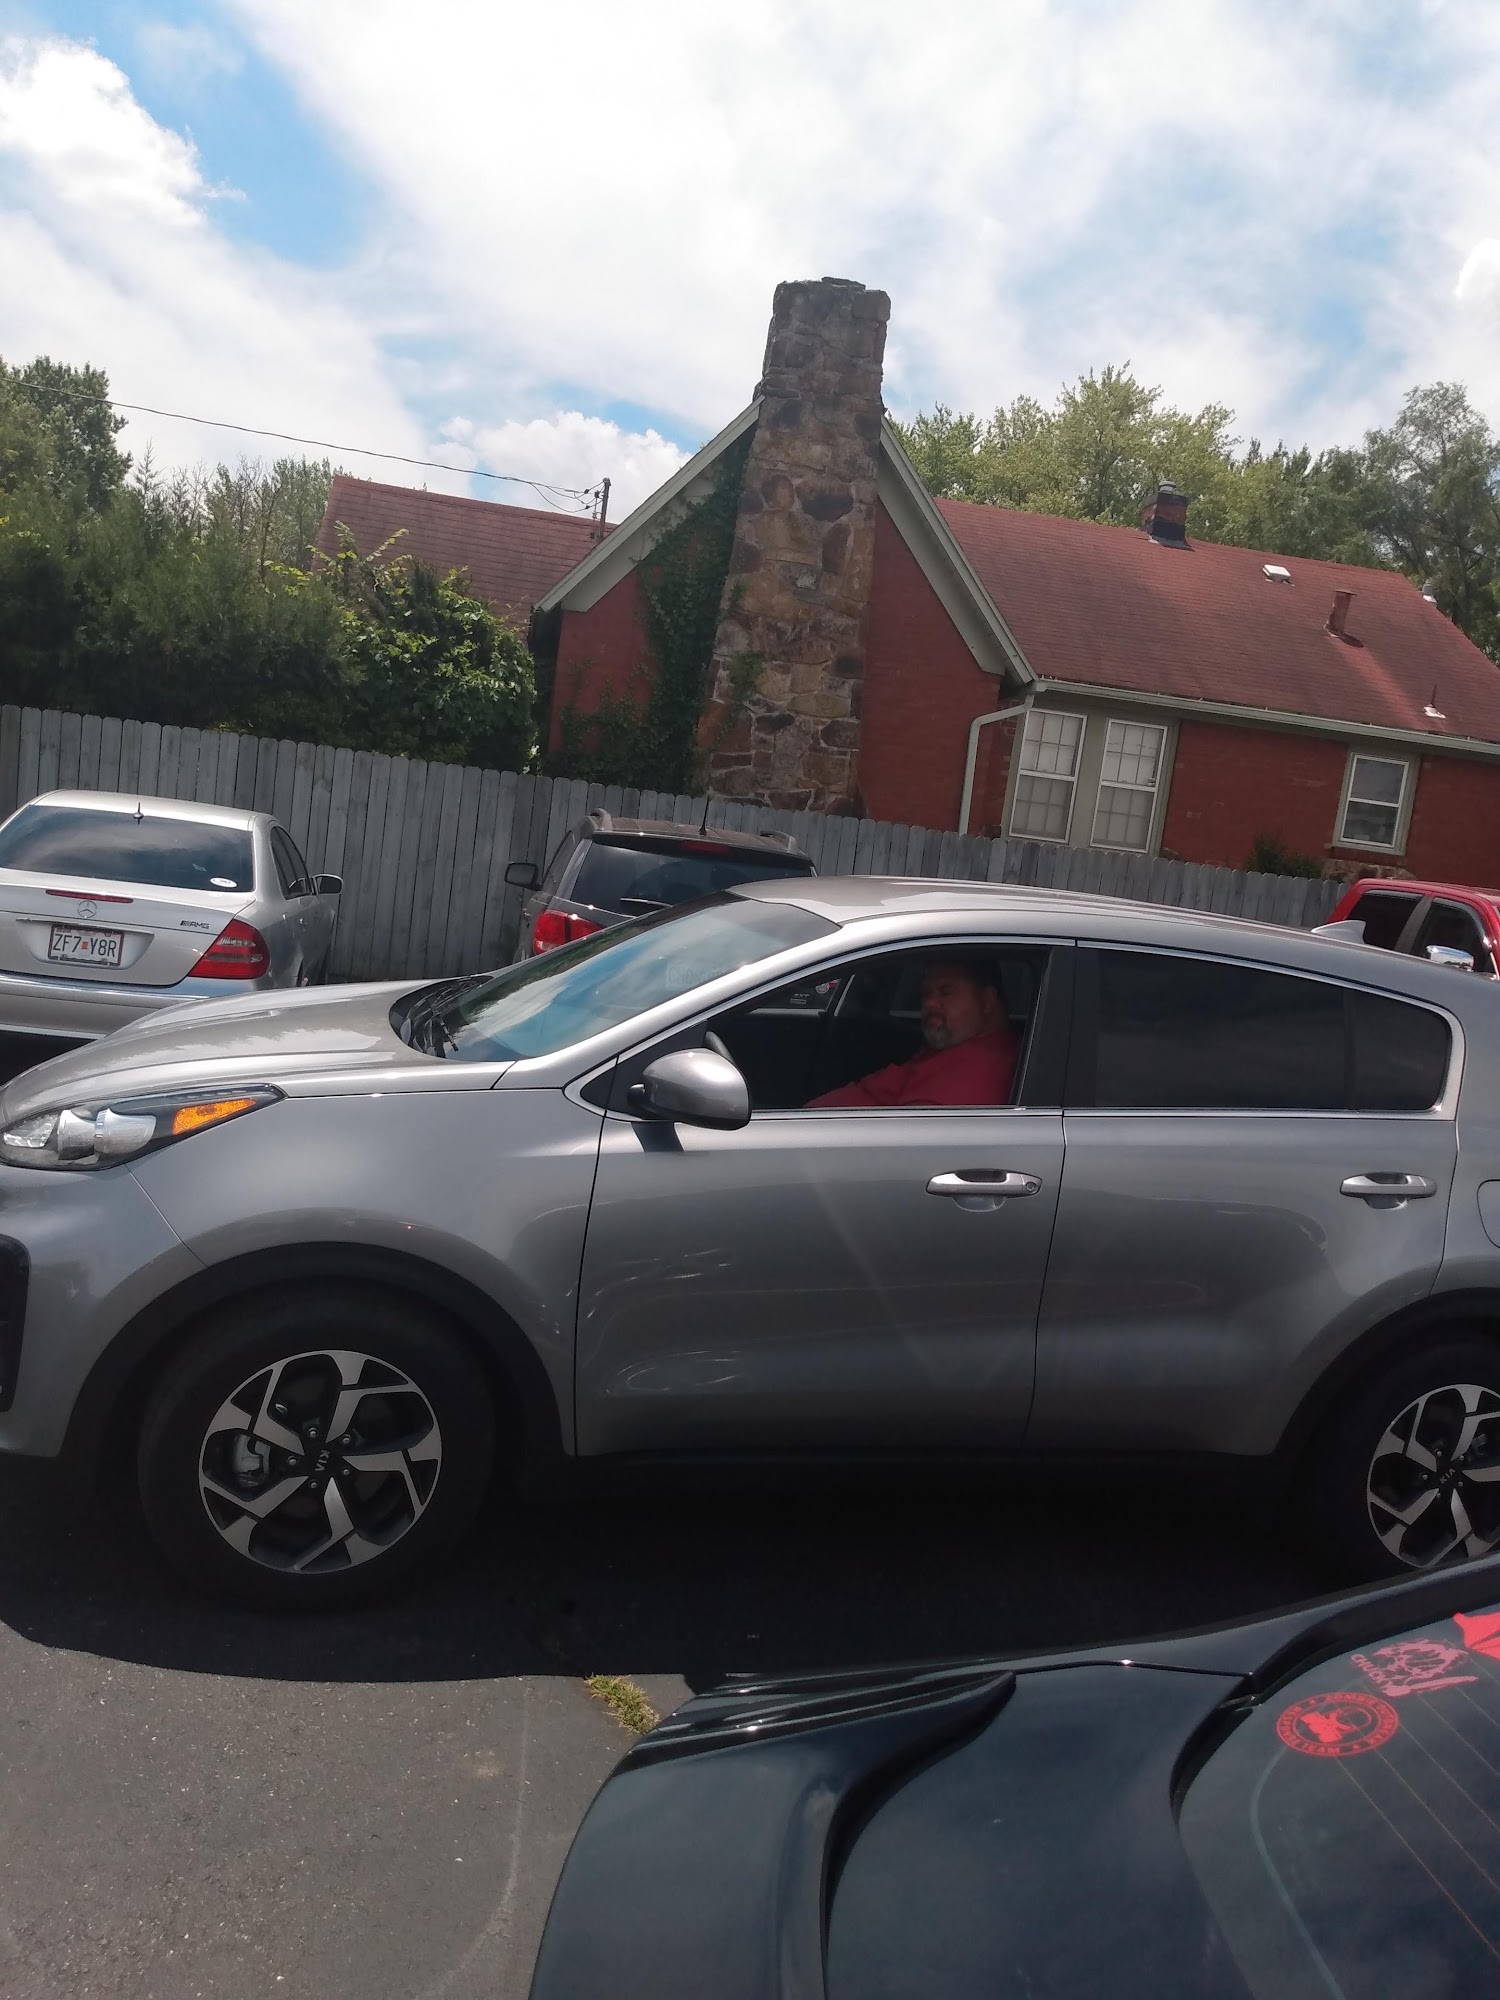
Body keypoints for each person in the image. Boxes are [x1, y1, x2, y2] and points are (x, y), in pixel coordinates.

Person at [808, 957, 1020, 1108]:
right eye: (926, 993)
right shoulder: (961, 1045)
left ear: (987, 1001)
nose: (930, 1003)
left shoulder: (970, 1081)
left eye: (945, 992)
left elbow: (906, 1144)